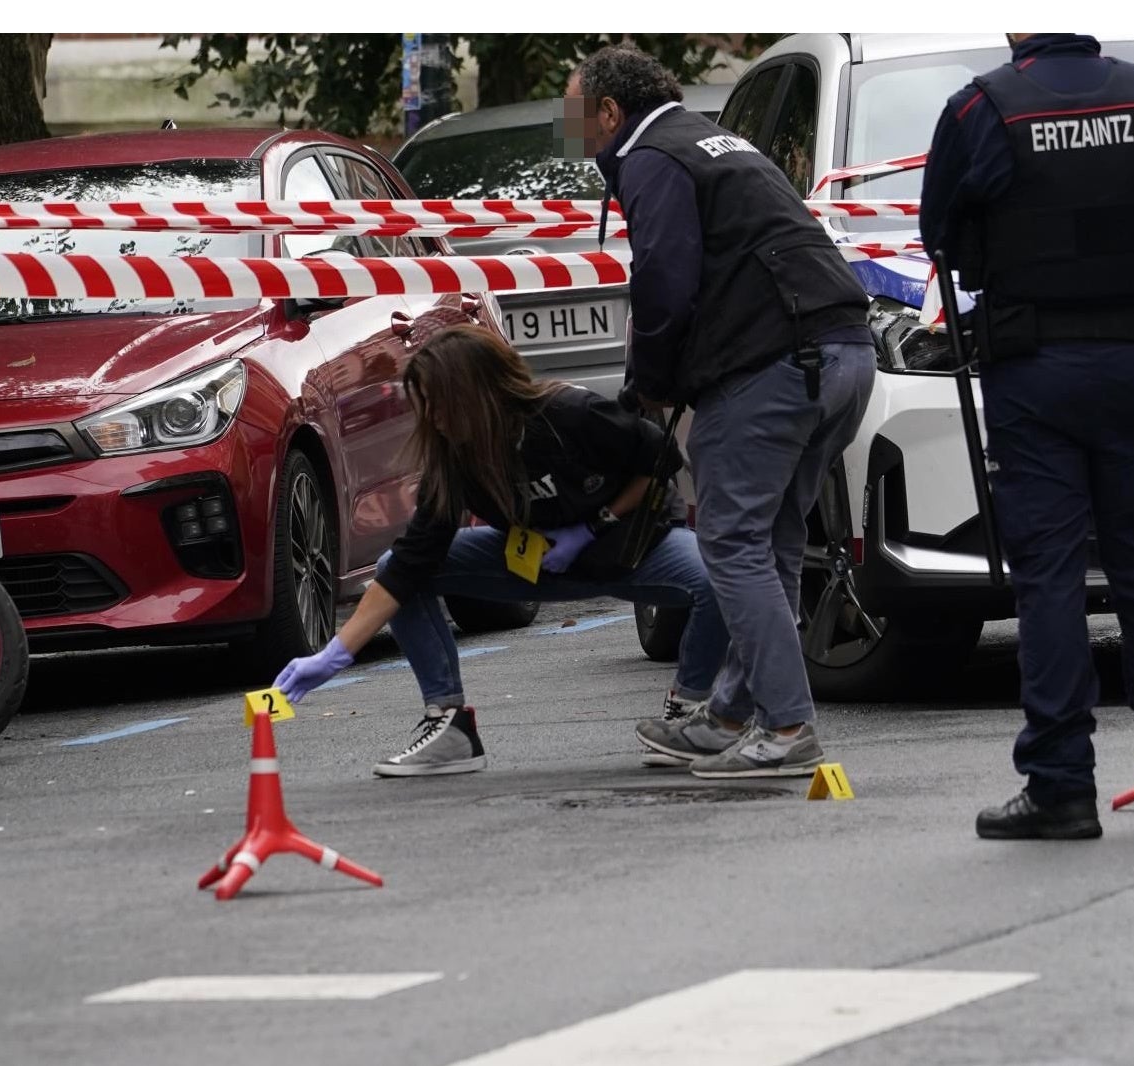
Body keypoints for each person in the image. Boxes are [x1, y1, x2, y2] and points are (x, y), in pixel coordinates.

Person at [919, 33, 1134, 839]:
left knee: (1049, 578)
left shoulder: (982, 104)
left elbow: (940, 233)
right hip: (1130, 360)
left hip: (1034, 366)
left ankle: (1060, 786)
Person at [565, 46, 876, 778]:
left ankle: (790, 727)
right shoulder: (714, 140)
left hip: (773, 367)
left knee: (733, 544)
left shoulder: (651, 158)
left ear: (610, 113)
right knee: (769, 544)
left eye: (579, 120)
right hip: (841, 354)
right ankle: (731, 715)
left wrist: (649, 385)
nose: (576, 138)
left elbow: (664, 282)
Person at [272, 323, 735, 777]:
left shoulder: (571, 412)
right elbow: (411, 563)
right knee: (399, 566)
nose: (431, 419)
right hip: (536, 564)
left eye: (437, 404)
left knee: (719, 579)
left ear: (473, 393)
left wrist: (596, 525)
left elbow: (658, 462)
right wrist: (334, 654)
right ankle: (449, 726)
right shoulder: (454, 456)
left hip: (632, 552)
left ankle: (687, 711)